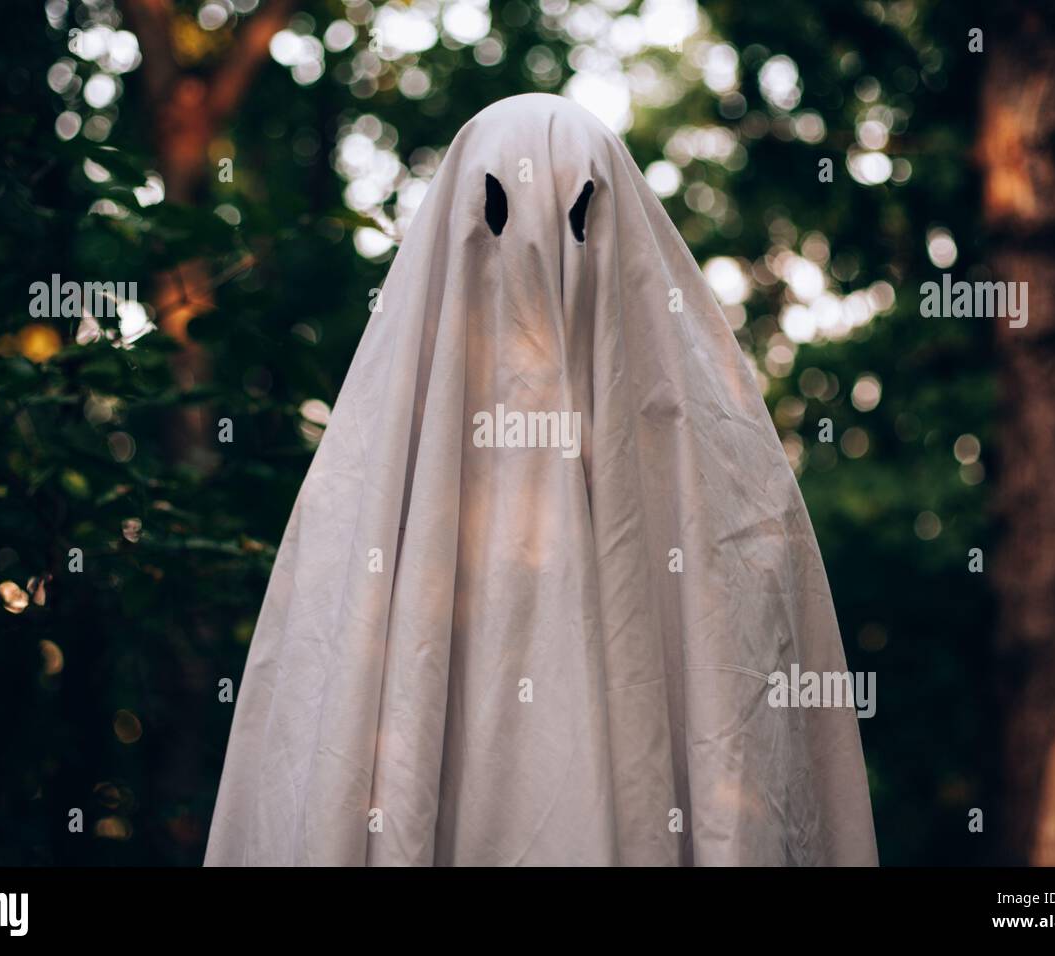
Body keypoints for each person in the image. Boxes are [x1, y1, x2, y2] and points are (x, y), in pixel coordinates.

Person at [205, 93, 878, 866]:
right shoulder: (371, 487)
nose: (540, 252)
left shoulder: (722, 480)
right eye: (497, 212)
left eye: (580, 217)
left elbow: (752, 728)